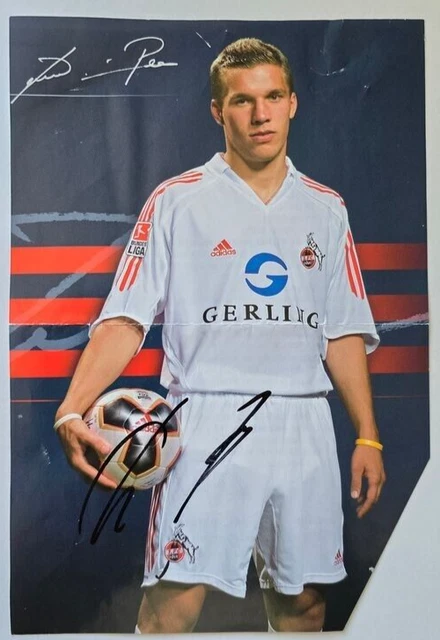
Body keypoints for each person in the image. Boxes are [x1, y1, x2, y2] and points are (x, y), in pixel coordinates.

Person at [54, 38, 386, 633]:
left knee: (305, 605)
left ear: (293, 103)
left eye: (273, 97)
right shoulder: (177, 201)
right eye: (242, 101)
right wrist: (71, 410)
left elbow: (342, 332)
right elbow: (125, 319)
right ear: (217, 110)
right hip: (205, 418)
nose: (260, 115)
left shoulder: (326, 208)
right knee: (173, 607)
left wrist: (368, 435)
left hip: (303, 422)